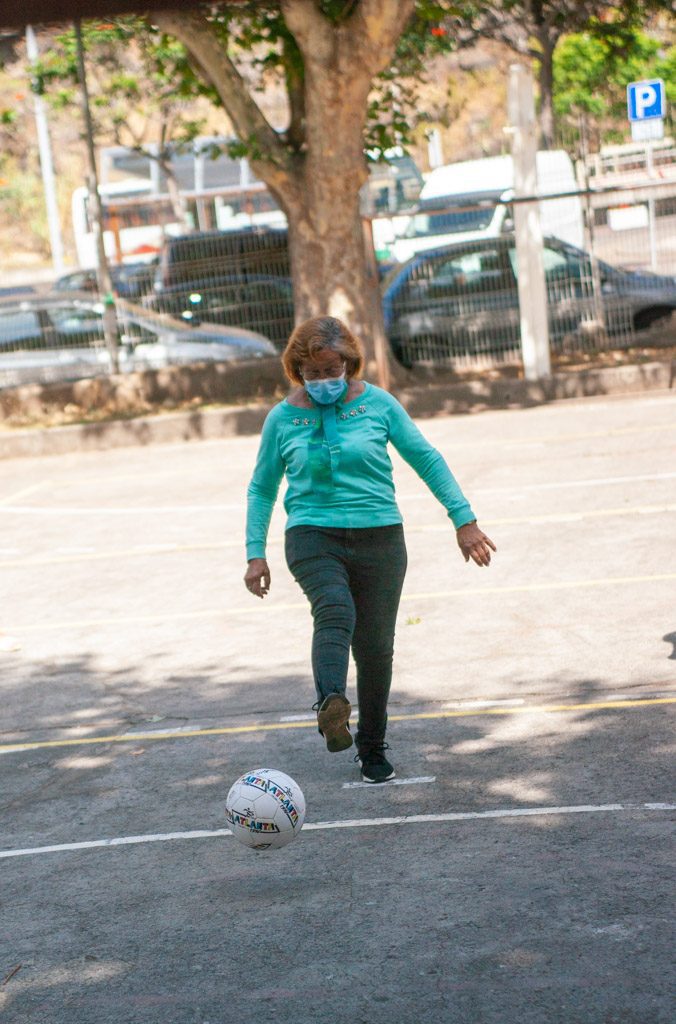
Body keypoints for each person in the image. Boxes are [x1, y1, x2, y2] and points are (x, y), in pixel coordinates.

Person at [244, 316, 496, 783]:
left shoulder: (379, 404)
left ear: (349, 363)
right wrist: (254, 552)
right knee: (335, 609)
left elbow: (425, 457)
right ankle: (331, 705)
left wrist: (464, 520)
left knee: (377, 649)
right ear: (298, 369)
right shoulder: (281, 418)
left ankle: (372, 746)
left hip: (380, 537)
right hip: (311, 535)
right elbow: (262, 488)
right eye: (313, 373)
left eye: (332, 370)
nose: (323, 381)